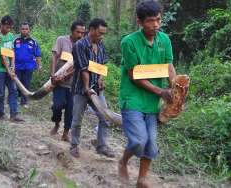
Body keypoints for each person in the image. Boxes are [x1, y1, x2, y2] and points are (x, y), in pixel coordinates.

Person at [118, 1, 176, 187]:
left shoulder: (164, 40)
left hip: (152, 103)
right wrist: (161, 92)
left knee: (151, 144)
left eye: (158, 20)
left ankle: (142, 178)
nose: (156, 25)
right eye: (151, 21)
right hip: (132, 99)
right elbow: (134, 75)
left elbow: (169, 67)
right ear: (139, 22)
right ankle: (123, 161)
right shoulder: (129, 42)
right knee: (138, 141)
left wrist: (176, 90)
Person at [69, 18, 114, 158]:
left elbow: (102, 65)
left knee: (105, 118)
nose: (101, 36)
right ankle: (74, 146)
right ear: (92, 29)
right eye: (99, 33)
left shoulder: (101, 45)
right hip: (81, 89)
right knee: (77, 119)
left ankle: (101, 146)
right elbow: (84, 69)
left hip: (97, 89)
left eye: (103, 34)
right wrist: (87, 88)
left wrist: (101, 79)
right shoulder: (79, 45)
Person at [49, 20, 85, 141]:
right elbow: (54, 57)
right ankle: (56, 124)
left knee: (71, 109)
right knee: (57, 106)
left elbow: (81, 65)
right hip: (59, 82)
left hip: (74, 85)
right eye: (77, 32)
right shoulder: (61, 40)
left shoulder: (84, 45)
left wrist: (68, 74)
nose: (80, 35)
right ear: (72, 31)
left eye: (82, 32)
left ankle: (65, 132)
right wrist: (53, 74)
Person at [0, 15, 23, 122]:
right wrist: (9, 70)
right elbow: (3, 56)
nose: (8, 29)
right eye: (6, 27)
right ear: (1, 25)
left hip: (9, 68)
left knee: (13, 90)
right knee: (0, 93)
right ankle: (1, 114)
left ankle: (14, 114)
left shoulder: (10, 36)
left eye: (10, 27)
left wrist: (13, 66)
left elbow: (12, 52)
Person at [14, 22, 42, 108]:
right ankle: (15, 99)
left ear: (29, 30)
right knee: (17, 84)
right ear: (20, 30)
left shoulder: (34, 42)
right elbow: (11, 53)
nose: (24, 31)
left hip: (29, 66)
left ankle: (24, 102)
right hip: (17, 66)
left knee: (26, 84)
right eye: (23, 29)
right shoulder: (15, 40)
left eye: (26, 29)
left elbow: (37, 55)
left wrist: (39, 66)